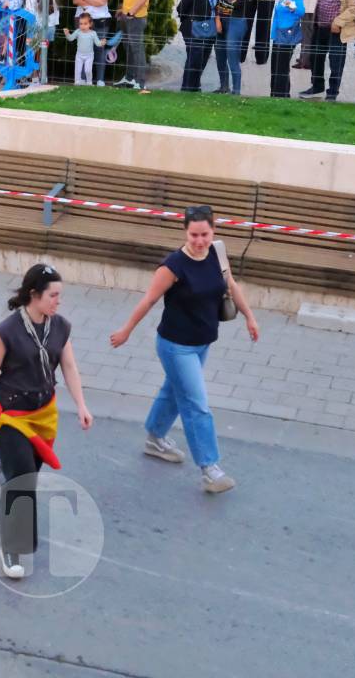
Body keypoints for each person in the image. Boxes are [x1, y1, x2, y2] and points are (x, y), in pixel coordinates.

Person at [109, 206, 260, 495]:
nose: (200, 240)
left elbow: (231, 285)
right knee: (196, 404)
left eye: (204, 234)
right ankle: (210, 470)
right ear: (185, 232)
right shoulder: (173, 266)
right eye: (194, 235)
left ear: (213, 230)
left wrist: (250, 317)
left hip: (202, 342)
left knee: (174, 392)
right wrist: (126, 330)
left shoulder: (216, 253)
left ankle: (155, 438)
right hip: (176, 346)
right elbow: (149, 300)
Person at [0, 265, 93, 580]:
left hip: (41, 414)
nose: (58, 301)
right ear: (34, 295)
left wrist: (81, 405)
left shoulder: (59, 326)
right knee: (23, 477)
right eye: (53, 295)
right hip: (9, 415)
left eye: (59, 296)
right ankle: (11, 546)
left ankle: (7, 516)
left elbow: (68, 366)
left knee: (25, 477)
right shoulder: (5, 332)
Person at [299, 0, 355, 101]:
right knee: (315, 57)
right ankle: (317, 85)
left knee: (336, 61)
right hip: (320, 26)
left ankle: (333, 91)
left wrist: (338, 21)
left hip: (336, 30)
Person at [215, 0, 256, 94]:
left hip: (237, 21)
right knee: (220, 55)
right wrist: (218, 18)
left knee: (232, 56)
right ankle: (223, 86)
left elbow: (237, 2)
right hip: (222, 19)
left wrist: (225, 2)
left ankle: (236, 91)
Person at [73, 0, 114, 87]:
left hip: (101, 19)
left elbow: (103, 1)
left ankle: (100, 79)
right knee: (83, 49)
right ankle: (83, 80)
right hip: (83, 19)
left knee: (99, 48)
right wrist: (92, 1)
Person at [177, 0, 218, 92]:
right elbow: (181, 8)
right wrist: (189, 21)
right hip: (194, 28)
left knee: (203, 57)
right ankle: (188, 87)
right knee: (194, 58)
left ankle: (195, 85)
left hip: (207, 29)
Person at [269, 0, 304, 97]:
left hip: (287, 34)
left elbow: (300, 11)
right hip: (280, 33)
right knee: (276, 66)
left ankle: (281, 94)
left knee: (281, 67)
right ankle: (275, 93)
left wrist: (291, 6)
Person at [64, 13, 108, 85]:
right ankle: (77, 82)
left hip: (89, 55)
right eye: (81, 24)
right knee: (78, 70)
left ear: (90, 24)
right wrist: (67, 34)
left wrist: (102, 43)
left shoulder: (93, 33)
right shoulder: (78, 31)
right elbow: (71, 38)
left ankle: (89, 82)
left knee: (88, 70)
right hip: (79, 55)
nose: (83, 26)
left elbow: (97, 43)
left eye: (85, 23)